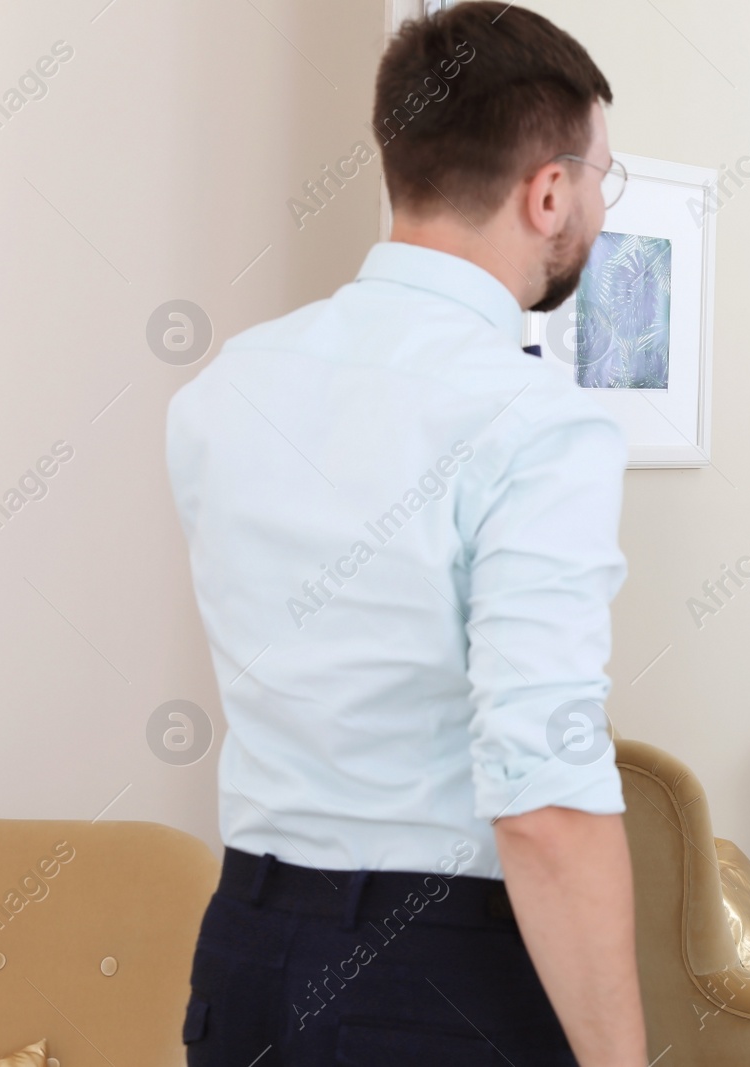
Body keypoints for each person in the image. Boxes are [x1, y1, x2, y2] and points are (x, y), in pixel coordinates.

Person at [164, 5, 647, 1064]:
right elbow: (543, 797)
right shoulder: (537, 423)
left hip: (242, 954)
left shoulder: (225, 387)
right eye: (604, 175)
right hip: (438, 979)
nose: (602, 205)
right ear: (549, 190)